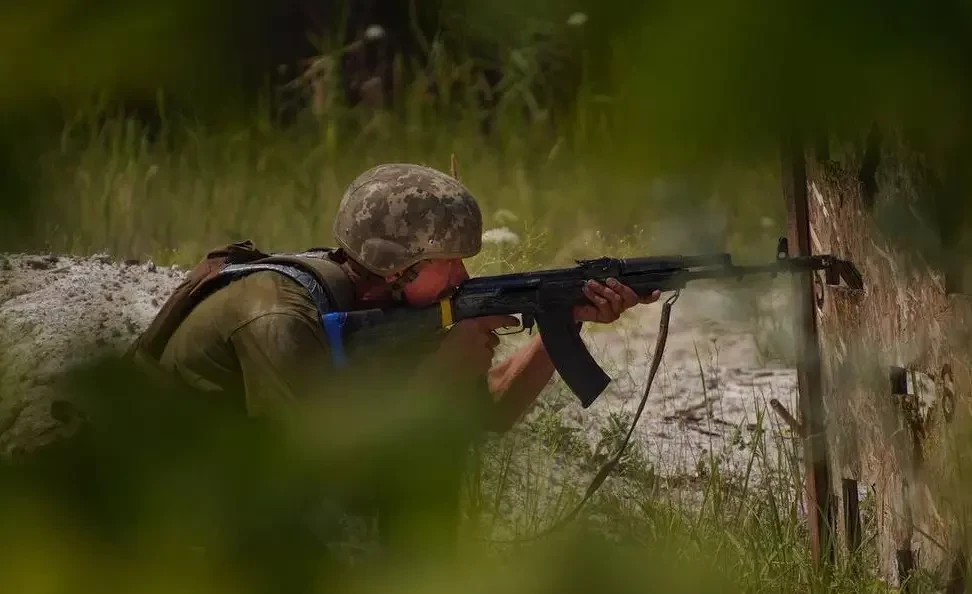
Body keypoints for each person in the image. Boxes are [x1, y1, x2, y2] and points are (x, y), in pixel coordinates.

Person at [129, 162, 660, 568]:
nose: (462, 275)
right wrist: (438, 372)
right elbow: (310, 471)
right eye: (447, 262)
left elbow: (491, 411)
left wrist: (562, 321)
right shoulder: (276, 315)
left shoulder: (384, 309)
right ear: (396, 265)